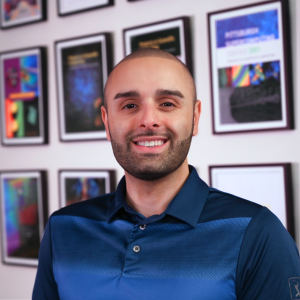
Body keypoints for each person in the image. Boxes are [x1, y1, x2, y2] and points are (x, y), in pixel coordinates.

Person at [33, 48, 300, 300]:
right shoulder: (63, 228)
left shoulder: (256, 232)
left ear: (195, 117)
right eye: (129, 105)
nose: (149, 120)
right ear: (106, 122)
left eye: (168, 103)